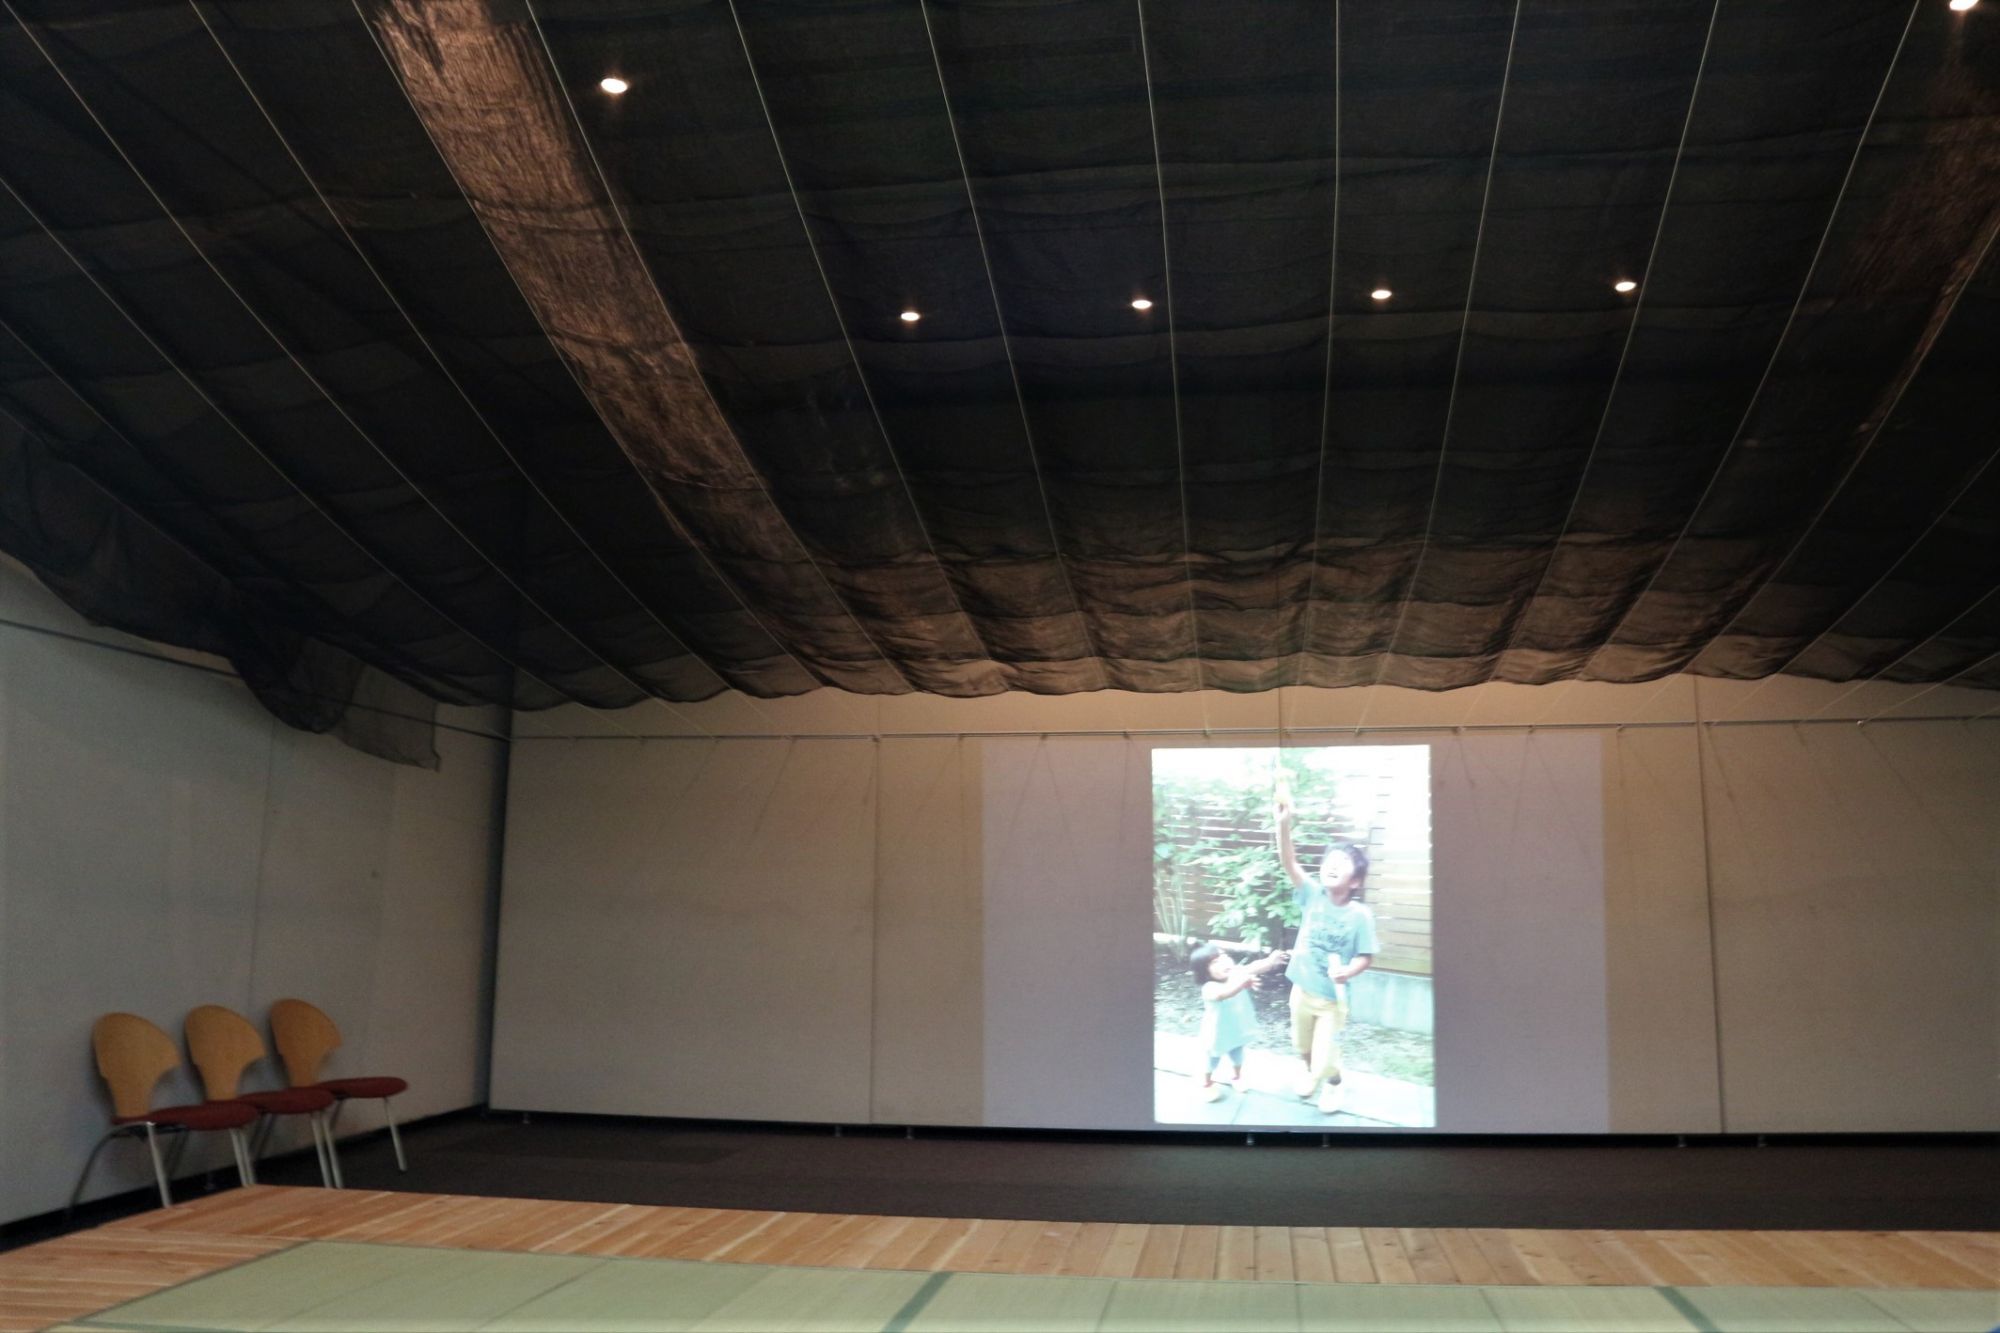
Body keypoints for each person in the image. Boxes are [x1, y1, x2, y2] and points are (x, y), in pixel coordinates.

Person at [1274, 780, 1379, 1115]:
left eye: (1342, 863)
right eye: (1329, 860)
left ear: (1355, 881)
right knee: (1302, 1047)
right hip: (1302, 991)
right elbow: (1289, 862)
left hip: (1333, 1001)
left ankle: (1333, 1083)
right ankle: (1312, 1072)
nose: (1332, 865)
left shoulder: (1360, 916)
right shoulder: (1312, 894)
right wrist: (1283, 824)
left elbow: (1366, 956)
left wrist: (1348, 971)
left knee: (1325, 1056)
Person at [1188, 944, 1288, 1102]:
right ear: (1204, 971)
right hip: (1216, 1035)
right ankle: (1206, 1083)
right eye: (1215, 962)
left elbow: (1255, 967)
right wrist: (1242, 983)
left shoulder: (1236, 973)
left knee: (1238, 1057)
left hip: (1237, 1030)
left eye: (1225, 957)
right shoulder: (1209, 988)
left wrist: (1270, 961)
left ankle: (1236, 1076)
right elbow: (1224, 993)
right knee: (1211, 1061)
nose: (1224, 962)